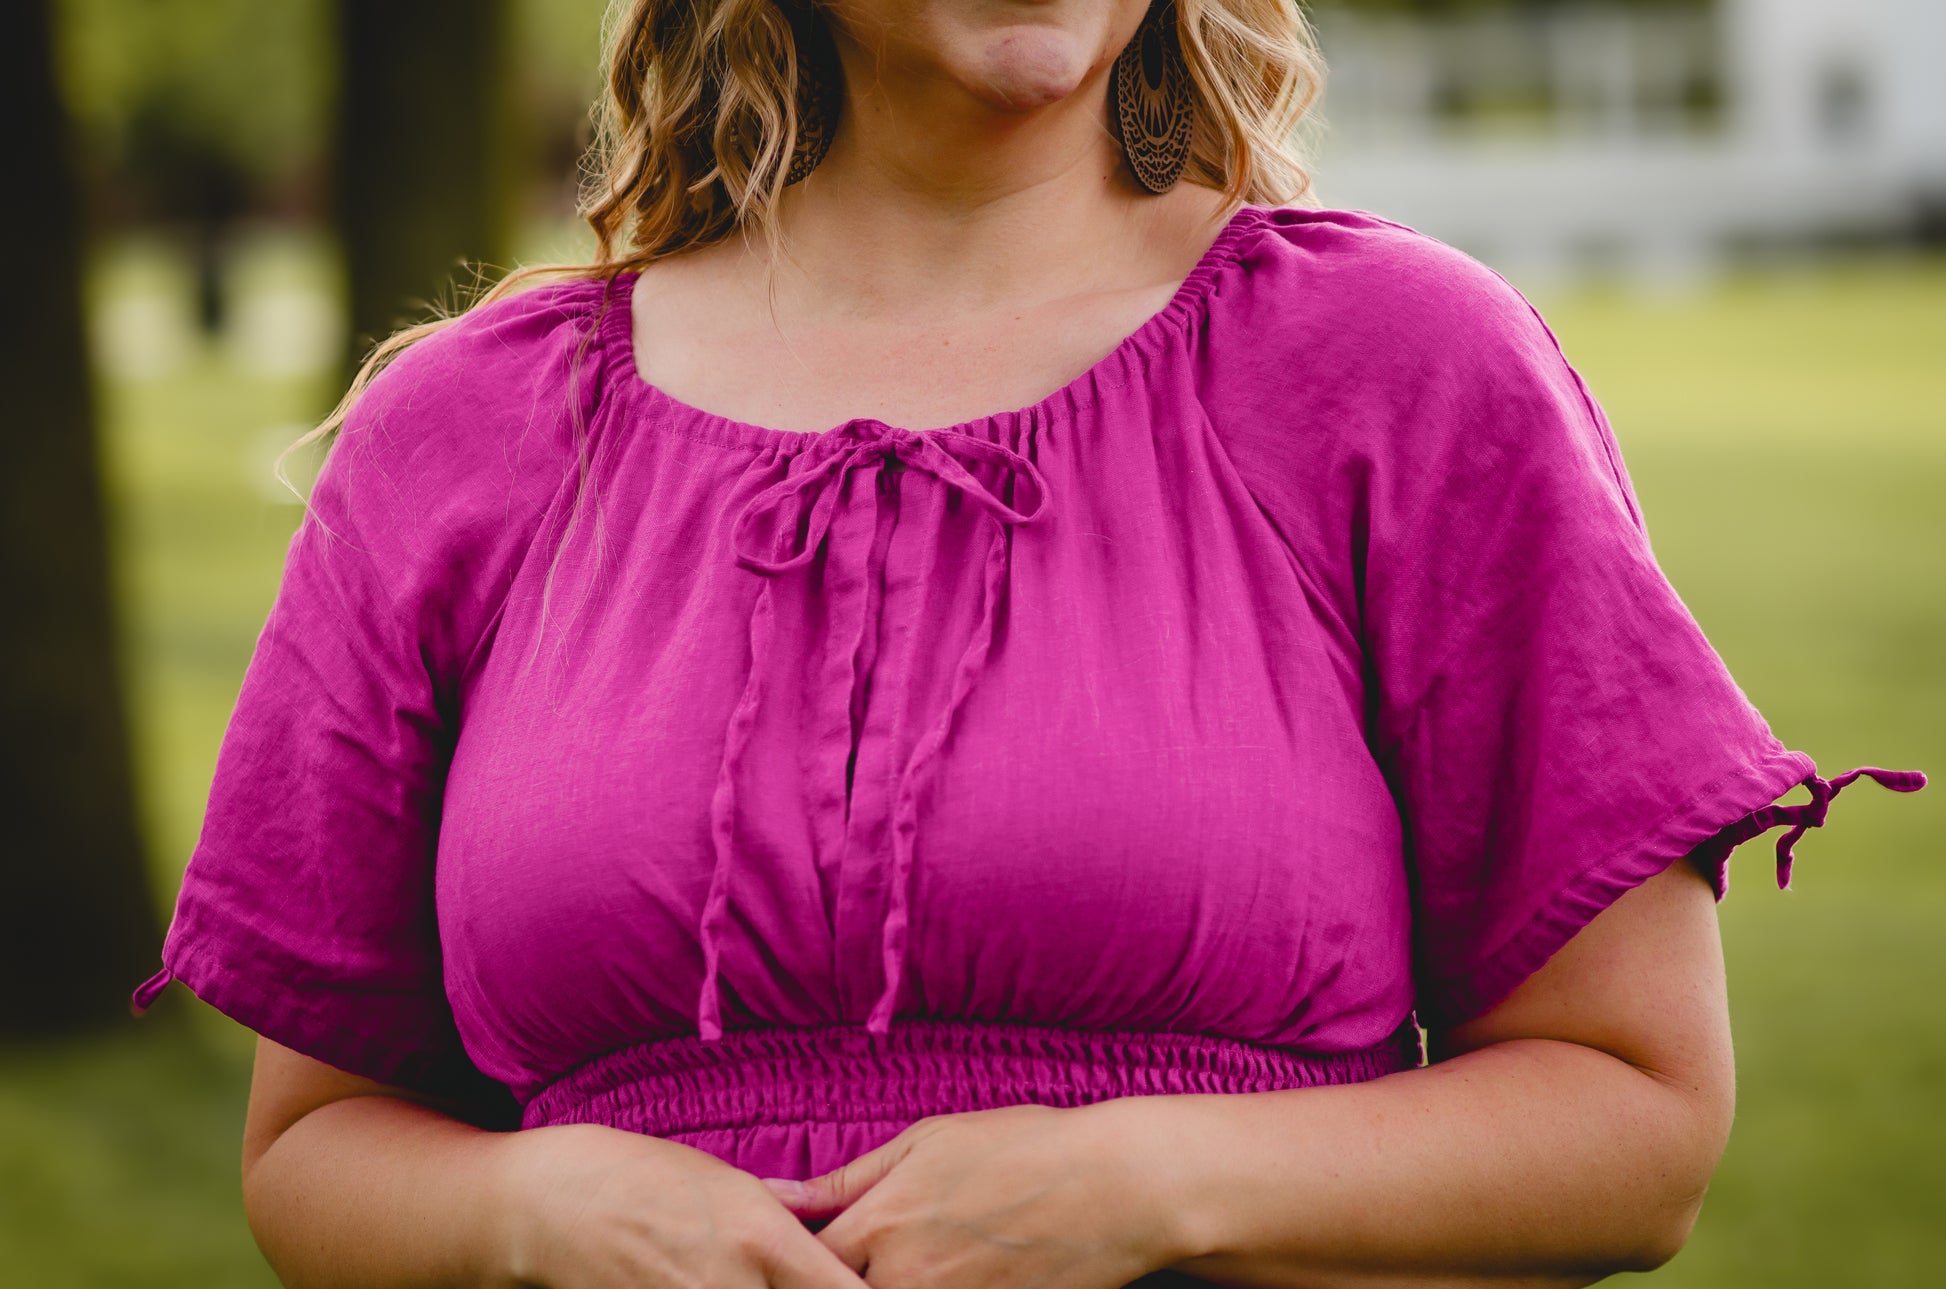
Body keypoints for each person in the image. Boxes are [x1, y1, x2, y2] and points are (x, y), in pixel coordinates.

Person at [130, 1, 1925, 1287]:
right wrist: (529, 1214)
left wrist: (1149, 1180)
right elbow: (312, 1151)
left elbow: (1636, 1124)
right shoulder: (467, 437)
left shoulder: (1399, 370)